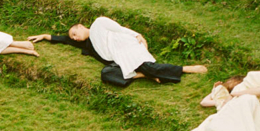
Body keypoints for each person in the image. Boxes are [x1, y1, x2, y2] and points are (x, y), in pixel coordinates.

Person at [29, 17, 206, 86]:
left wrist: (139, 36)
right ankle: (142, 75)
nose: (74, 38)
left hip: (126, 47)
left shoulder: (99, 23)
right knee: (106, 74)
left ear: (82, 26)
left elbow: (120, 29)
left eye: (75, 33)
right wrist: (45, 36)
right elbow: (63, 39)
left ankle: (186, 69)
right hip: (118, 61)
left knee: (150, 67)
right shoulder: (87, 45)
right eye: (73, 37)